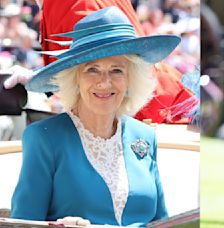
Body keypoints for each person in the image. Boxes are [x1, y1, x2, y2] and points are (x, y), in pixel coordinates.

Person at [11, 7, 180, 226]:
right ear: (75, 78)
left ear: (131, 78)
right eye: (92, 69)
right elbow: (22, 223)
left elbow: (162, 222)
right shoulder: (44, 138)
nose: (104, 82)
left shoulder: (145, 136)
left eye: (117, 70)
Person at [3, 0, 197, 124]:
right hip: (144, 107)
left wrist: (39, 77)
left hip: (153, 112)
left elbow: (101, 70)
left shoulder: (73, 4)